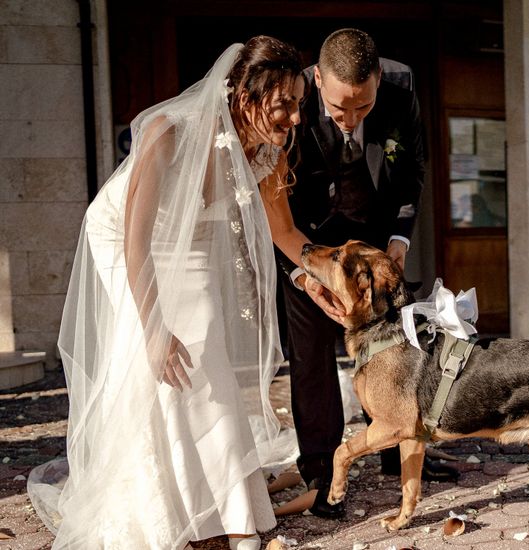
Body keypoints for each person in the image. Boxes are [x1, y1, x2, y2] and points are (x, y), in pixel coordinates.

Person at [26, 37, 336, 550]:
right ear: (246, 96)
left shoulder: (267, 149)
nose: (296, 117)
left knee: (204, 345)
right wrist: (152, 327)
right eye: (285, 103)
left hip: (192, 242)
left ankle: (232, 511)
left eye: (299, 104)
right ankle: (165, 505)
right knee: (158, 356)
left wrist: (315, 280)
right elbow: (135, 238)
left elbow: (284, 232)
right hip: (125, 238)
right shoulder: (169, 132)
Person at [274, 28, 456, 519]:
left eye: (363, 106)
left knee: (402, 347)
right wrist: (303, 275)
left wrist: (398, 243)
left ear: (378, 79)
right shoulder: (291, 105)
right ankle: (319, 472)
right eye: (339, 109)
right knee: (310, 359)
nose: (351, 119)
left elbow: (410, 171)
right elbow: (275, 209)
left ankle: (403, 453)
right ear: (316, 80)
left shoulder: (403, 88)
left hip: (375, 245)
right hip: (306, 245)